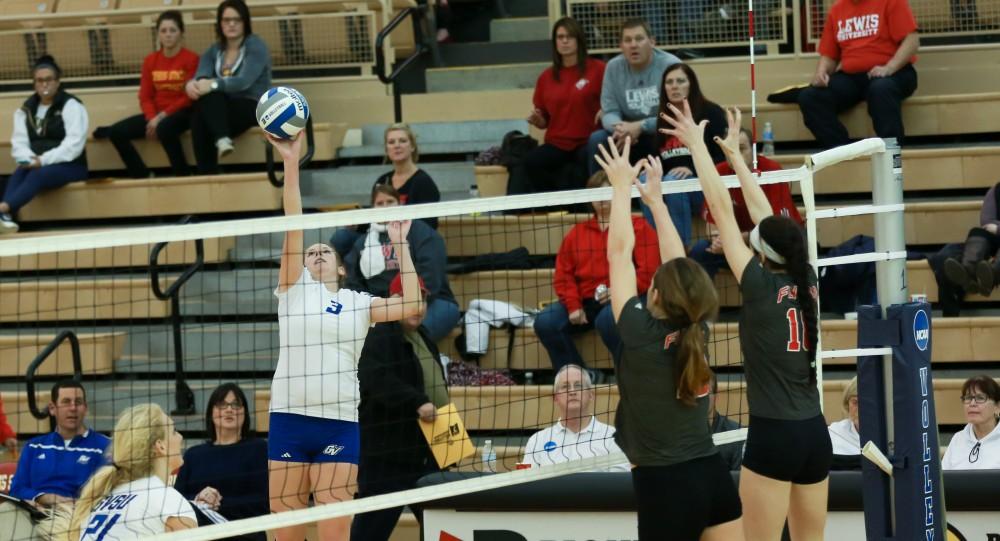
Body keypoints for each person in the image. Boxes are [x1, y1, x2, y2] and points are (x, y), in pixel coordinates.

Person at [661, 100, 831, 541]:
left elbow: (721, 205)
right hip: (815, 434)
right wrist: (737, 157)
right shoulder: (806, 275)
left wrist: (697, 146)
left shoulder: (757, 283)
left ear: (760, 253)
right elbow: (766, 217)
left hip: (774, 436)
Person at [266, 131, 422, 541]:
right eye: (309, 252)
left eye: (325, 252)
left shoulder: (357, 301)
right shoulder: (292, 290)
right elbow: (293, 224)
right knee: (286, 533)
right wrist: (291, 162)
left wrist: (401, 243)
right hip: (288, 417)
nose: (315, 255)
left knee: (336, 531)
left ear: (340, 268)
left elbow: (411, 304)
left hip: (337, 421)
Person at [598, 137, 743, 540]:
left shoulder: (639, 331)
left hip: (664, 485)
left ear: (656, 295)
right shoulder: (698, 328)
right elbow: (677, 266)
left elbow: (619, 254)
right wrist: (657, 202)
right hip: (713, 476)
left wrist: (622, 187)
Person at [533, 171, 660, 374]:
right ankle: (579, 377)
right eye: (596, 194)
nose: (602, 200)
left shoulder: (638, 227)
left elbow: (650, 271)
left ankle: (631, 374)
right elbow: (563, 274)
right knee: (546, 321)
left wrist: (621, 291)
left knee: (609, 319)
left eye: (607, 193)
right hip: (586, 300)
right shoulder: (577, 233)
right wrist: (574, 305)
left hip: (628, 297)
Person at [352, 274, 448, 541]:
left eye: (423, 300)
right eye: (411, 299)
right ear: (393, 301)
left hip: (432, 446)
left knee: (442, 524)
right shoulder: (378, 334)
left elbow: (437, 385)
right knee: (372, 527)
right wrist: (416, 402)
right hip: (389, 454)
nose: (419, 306)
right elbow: (377, 379)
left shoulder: (424, 336)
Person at [342, 184, 459, 343]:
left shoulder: (420, 232)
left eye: (390, 201)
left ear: (400, 204)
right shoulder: (362, 243)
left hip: (431, 302)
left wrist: (403, 305)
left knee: (402, 341)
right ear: (372, 208)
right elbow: (353, 283)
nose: (385, 207)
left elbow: (431, 275)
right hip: (385, 309)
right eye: (380, 203)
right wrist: (379, 308)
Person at [797, 0, 920, 149]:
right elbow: (829, 55)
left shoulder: (891, 2)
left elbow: (912, 41)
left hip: (895, 72)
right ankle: (844, 151)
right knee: (810, 97)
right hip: (852, 77)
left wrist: (889, 68)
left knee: (881, 89)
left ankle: (891, 155)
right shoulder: (837, 9)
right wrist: (820, 73)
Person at [63, 403, 196, 540]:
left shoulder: (101, 500)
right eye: (174, 431)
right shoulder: (167, 500)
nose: (180, 437)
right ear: (160, 446)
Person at [694, 125, 804, 279]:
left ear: (753, 150)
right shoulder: (719, 172)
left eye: (741, 148)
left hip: (773, 242)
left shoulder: (772, 171)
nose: (735, 154)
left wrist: (732, 240)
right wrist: (718, 240)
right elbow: (711, 225)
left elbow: (776, 229)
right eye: (729, 149)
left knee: (775, 248)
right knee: (700, 251)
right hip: (738, 242)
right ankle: (702, 302)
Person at [103, 10, 199, 179]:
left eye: (172, 30)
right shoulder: (150, 60)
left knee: (165, 128)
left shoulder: (191, 59)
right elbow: (145, 96)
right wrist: (151, 118)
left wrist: (161, 117)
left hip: (182, 112)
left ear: (181, 33)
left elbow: (188, 97)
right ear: (158, 34)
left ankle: (183, 175)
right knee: (116, 132)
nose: (168, 35)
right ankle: (142, 175)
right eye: (163, 31)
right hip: (156, 115)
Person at [0, 55, 88, 234]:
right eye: (39, 80)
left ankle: (3, 210)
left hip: (71, 166)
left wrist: (43, 160)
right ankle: (5, 216)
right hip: (38, 164)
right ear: (34, 84)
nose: (44, 85)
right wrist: (28, 159)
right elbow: (19, 143)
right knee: (20, 172)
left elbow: (74, 144)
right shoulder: (25, 109)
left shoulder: (71, 105)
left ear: (57, 82)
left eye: (48, 80)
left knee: (37, 174)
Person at [519, 17, 605, 194]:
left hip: (587, 141)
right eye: (560, 37)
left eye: (570, 36)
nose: (564, 41)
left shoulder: (599, 69)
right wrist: (538, 120)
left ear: (579, 40)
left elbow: (612, 100)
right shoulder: (546, 77)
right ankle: (551, 208)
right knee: (531, 161)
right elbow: (545, 121)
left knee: (581, 165)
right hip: (557, 142)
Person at [185, 0, 272, 174]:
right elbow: (201, 76)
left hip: (252, 104)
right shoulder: (214, 50)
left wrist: (214, 84)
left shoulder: (256, 46)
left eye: (237, 20)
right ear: (219, 23)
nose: (231, 24)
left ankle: (208, 170)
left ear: (245, 22)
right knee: (201, 111)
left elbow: (243, 82)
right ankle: (221, 142)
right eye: (226, 20)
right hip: (221, 107)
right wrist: (192, 85)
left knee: (203, 113)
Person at [173, 383, 268, 541]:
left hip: (245, 536)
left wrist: (218, 504)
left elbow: (262, 502)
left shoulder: (259, 449)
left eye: (236, 404)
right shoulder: (193, 455)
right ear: (211, 412)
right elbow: (177, 501)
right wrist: (199, 499)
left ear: (245, 412)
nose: (229, 409)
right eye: (222, 404)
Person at [586, 18, 680, 175]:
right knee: (597, 140)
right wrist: (622, 129)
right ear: (621, 46)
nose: (633, 45)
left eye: (639, 39)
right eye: (627, 40)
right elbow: (609, 111)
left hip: (662, 129)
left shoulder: (671, 65)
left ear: (652, 42)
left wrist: (641, 126)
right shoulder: (613, 67)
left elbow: (678, 112)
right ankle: (601, 196)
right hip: (626, 132)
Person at [331, 123, 440, 257]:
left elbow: (428, 226)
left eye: (402, 141)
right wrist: (357, 224)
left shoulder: (423, 182)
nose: (397, 145)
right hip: (379, 238)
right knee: (341, 237)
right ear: (386, 149)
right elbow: (374, 217)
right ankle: (352, 277)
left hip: (407, 241)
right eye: (391, 142)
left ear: (412, 146)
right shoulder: (383, 180)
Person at [649, 62, 727, 247]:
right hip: (671, 185)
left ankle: (678, 250)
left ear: (691, 84)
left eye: (680, 81)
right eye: (669, 82)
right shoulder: (662, 118)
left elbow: (723, 158)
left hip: (705, 187)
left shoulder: (711, 113)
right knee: (647, 179)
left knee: (673, 181)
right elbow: (657, 158)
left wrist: (692, 168)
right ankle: (654, 247)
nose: (674, 86)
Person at [10, 381, 109, 507]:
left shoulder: (104, 446)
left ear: (85, 408)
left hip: (77, 516)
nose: (73, 408)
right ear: (52, 408)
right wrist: (44, 498)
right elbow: (16, 489)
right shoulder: (34, 446)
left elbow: (105, 494)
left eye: (78, 402)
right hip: (33, 513)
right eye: (66, 402)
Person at [522, 364, 630, 472]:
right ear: (556, 398)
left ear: (591, 395)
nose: (572, 392)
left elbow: (620, 485)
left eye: (578, 386)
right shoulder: (537, 440)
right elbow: (524, 483)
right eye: (565, 387)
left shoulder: (613, 438)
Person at [943, 182, 1000, 297]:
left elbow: (993, 226)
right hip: (995, 238)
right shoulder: (996, 190)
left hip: (997, 231)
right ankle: (968, 274)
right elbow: (987, 222)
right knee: (977, 232)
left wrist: (998, 228)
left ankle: (991, 277)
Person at [941, 375, 1000, 470]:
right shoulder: (958, 439)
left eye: (980, 398)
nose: (972, 403)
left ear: (997, 406)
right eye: (968, 398)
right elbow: (943, 480)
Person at [709, 374, 744, 471]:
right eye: (696, 393)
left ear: (716, 396)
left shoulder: (737, 434)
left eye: (707, 392)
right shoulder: (679, 434)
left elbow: (738, 481)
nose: (701, 400)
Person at [828, 377, 861, 456]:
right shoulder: (834, 433)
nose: (861, 409)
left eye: (867, 404)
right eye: (855, 402)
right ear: (847, 404)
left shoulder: (889, 436)